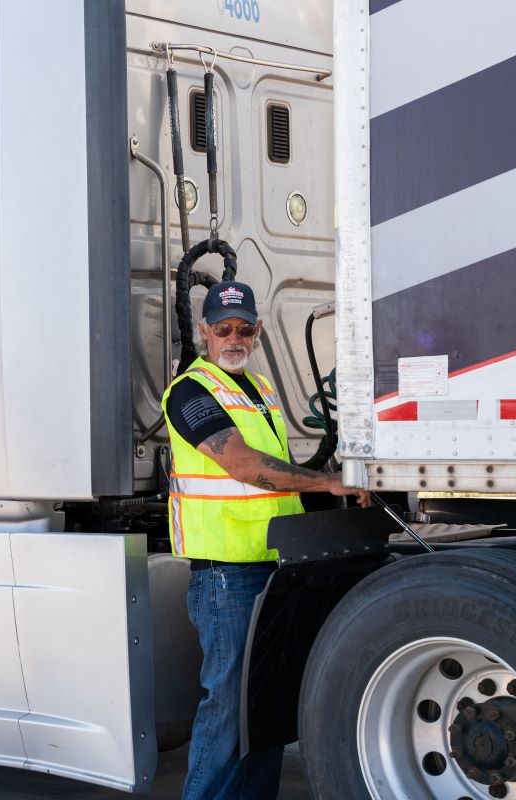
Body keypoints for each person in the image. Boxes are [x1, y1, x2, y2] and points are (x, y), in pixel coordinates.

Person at [161, 281, 369, 800]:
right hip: (225, 574)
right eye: (223, 328)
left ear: (256, 331)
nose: (234, 338)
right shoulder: (190, 391)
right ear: (204, 331)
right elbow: (242, 464)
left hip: (273, 564)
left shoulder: (260, 389)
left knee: (265, 710)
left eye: (244, 329)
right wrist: (324, 482)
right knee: (230, 707)